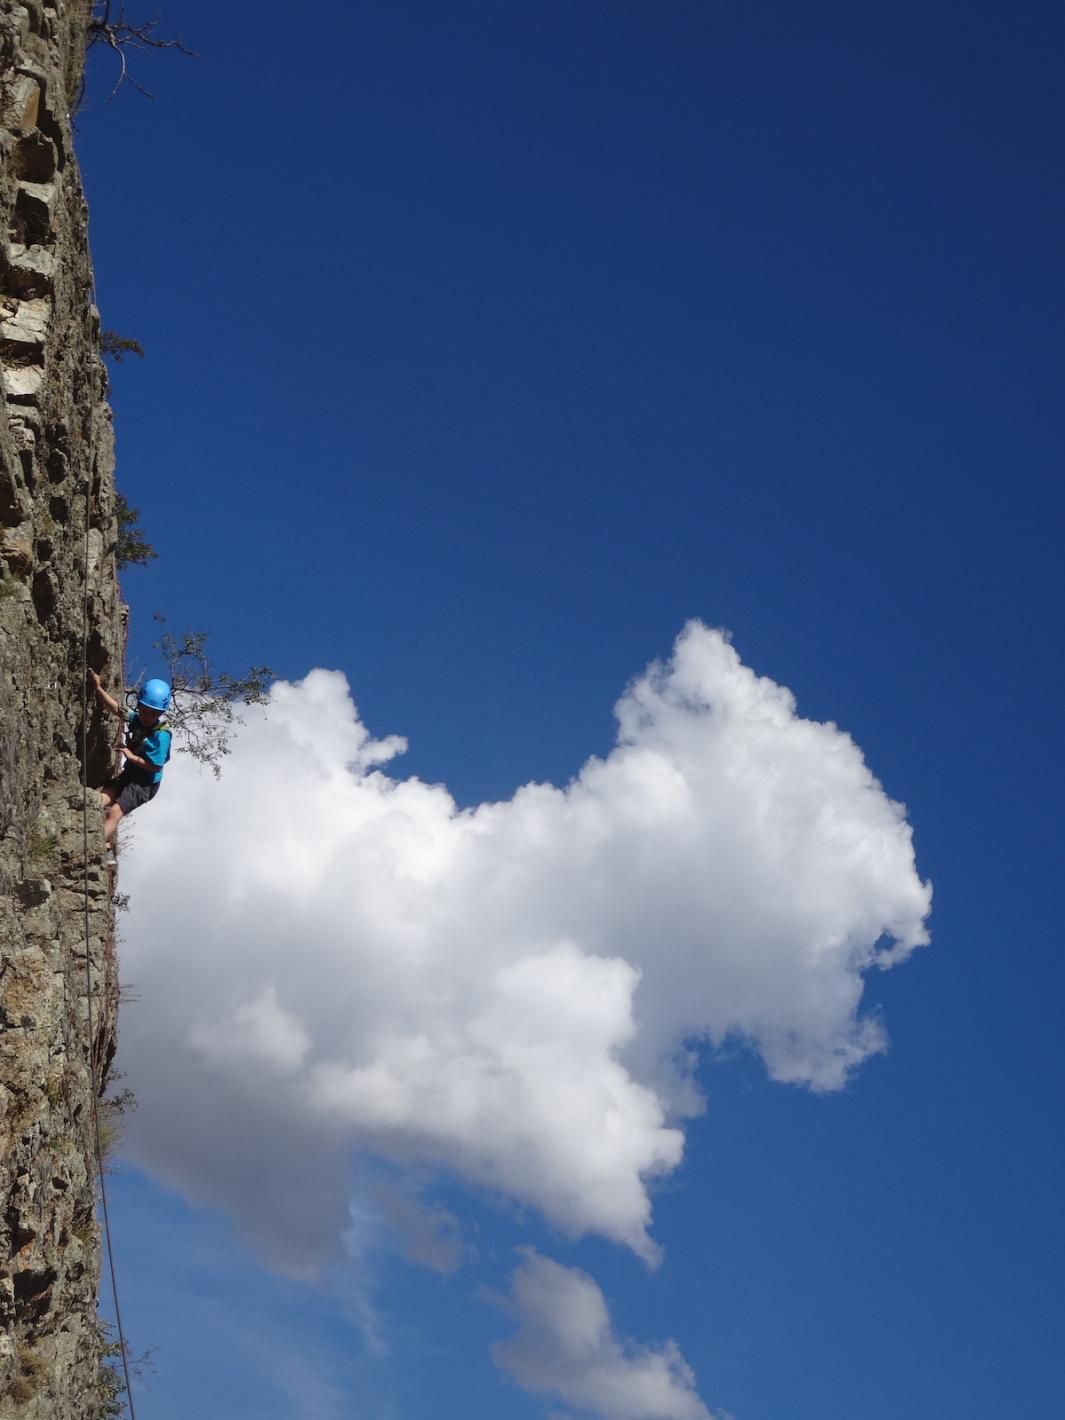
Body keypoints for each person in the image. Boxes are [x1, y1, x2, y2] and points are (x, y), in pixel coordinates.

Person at [90, 672, 173, 845]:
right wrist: (98, 689)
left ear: (161, 713)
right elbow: (116, 708)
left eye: (153, 713)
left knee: (114, 812)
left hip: (144, 785)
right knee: (100, 799)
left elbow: (154, 767)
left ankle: (93, 846)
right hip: (130, 774)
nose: (147, 716)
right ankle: (101, 837)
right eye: (144, 710)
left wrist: (130, 755)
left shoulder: (161, 736)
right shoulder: (137, 719)